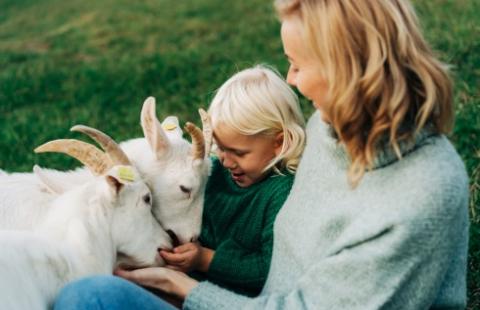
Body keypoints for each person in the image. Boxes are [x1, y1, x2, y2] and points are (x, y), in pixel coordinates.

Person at [55, 0, 470, 309]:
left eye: (297, 64)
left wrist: (185, 288)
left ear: (346, 68)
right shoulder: (329, 132)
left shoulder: (420, 195)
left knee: (89, 298)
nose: (291, 79)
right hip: (245, 299)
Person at [54, 65, 306, 309]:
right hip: (183, 285)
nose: (226, 161)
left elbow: (268, 269)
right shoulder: (217, 172)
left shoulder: (281, 193)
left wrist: (205, 259)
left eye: (239, 152)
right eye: (220, 148)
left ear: (279, 143)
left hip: (222, 300)